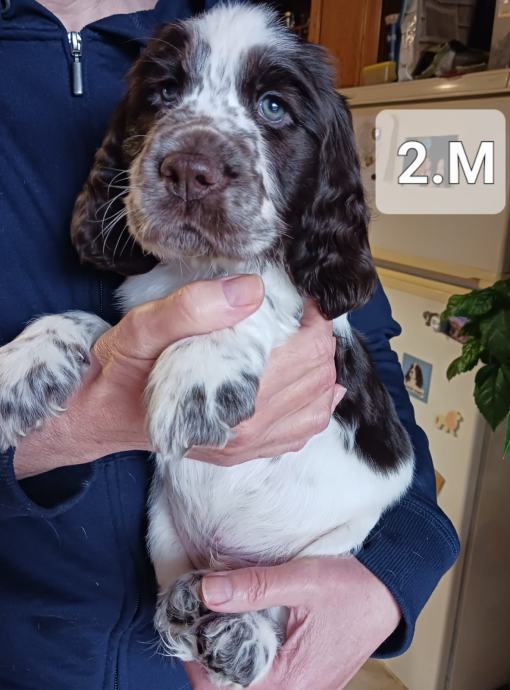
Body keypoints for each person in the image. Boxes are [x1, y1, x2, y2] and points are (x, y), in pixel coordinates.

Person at [0, 1, 460, 689]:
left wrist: (392, 576)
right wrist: (84, 426)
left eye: (273, 107)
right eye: (166, 94)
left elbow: (375, 363)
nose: (194, 162)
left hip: (249, 598)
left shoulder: (212, 18)